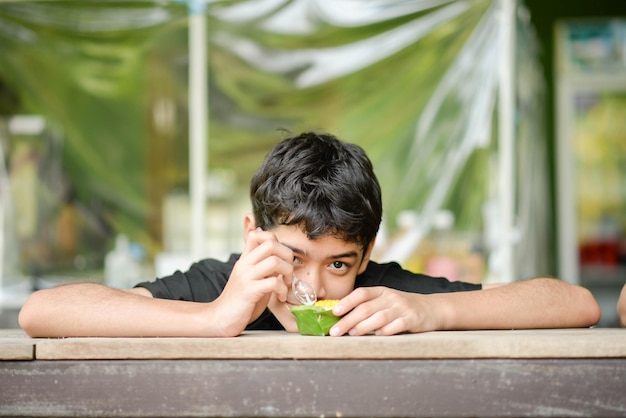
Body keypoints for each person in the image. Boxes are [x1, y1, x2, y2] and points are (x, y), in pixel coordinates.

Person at [18, 132, 601, 338]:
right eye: (292, 257)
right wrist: (214, 317)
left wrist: (432, 313)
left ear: (367, 254)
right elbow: (42, 312)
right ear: (253, 236)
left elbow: (575, 304)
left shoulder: (384, 301)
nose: (312, 286)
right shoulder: (220, 288)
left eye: (339, 265)